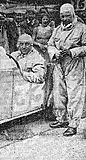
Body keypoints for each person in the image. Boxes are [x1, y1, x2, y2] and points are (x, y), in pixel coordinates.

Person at [48, 3, 86, 136]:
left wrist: (71, 52)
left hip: (74, 64)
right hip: (59, 63)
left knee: (74, 93)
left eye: (67, 16)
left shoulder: (82, 28)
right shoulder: (57, 29)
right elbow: (50, 44)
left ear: (73, 14)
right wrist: (54, 53)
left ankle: (73, 124)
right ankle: (61, 119)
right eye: (62, 16)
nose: (64, 19)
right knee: (58, 92)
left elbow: (85, 47)